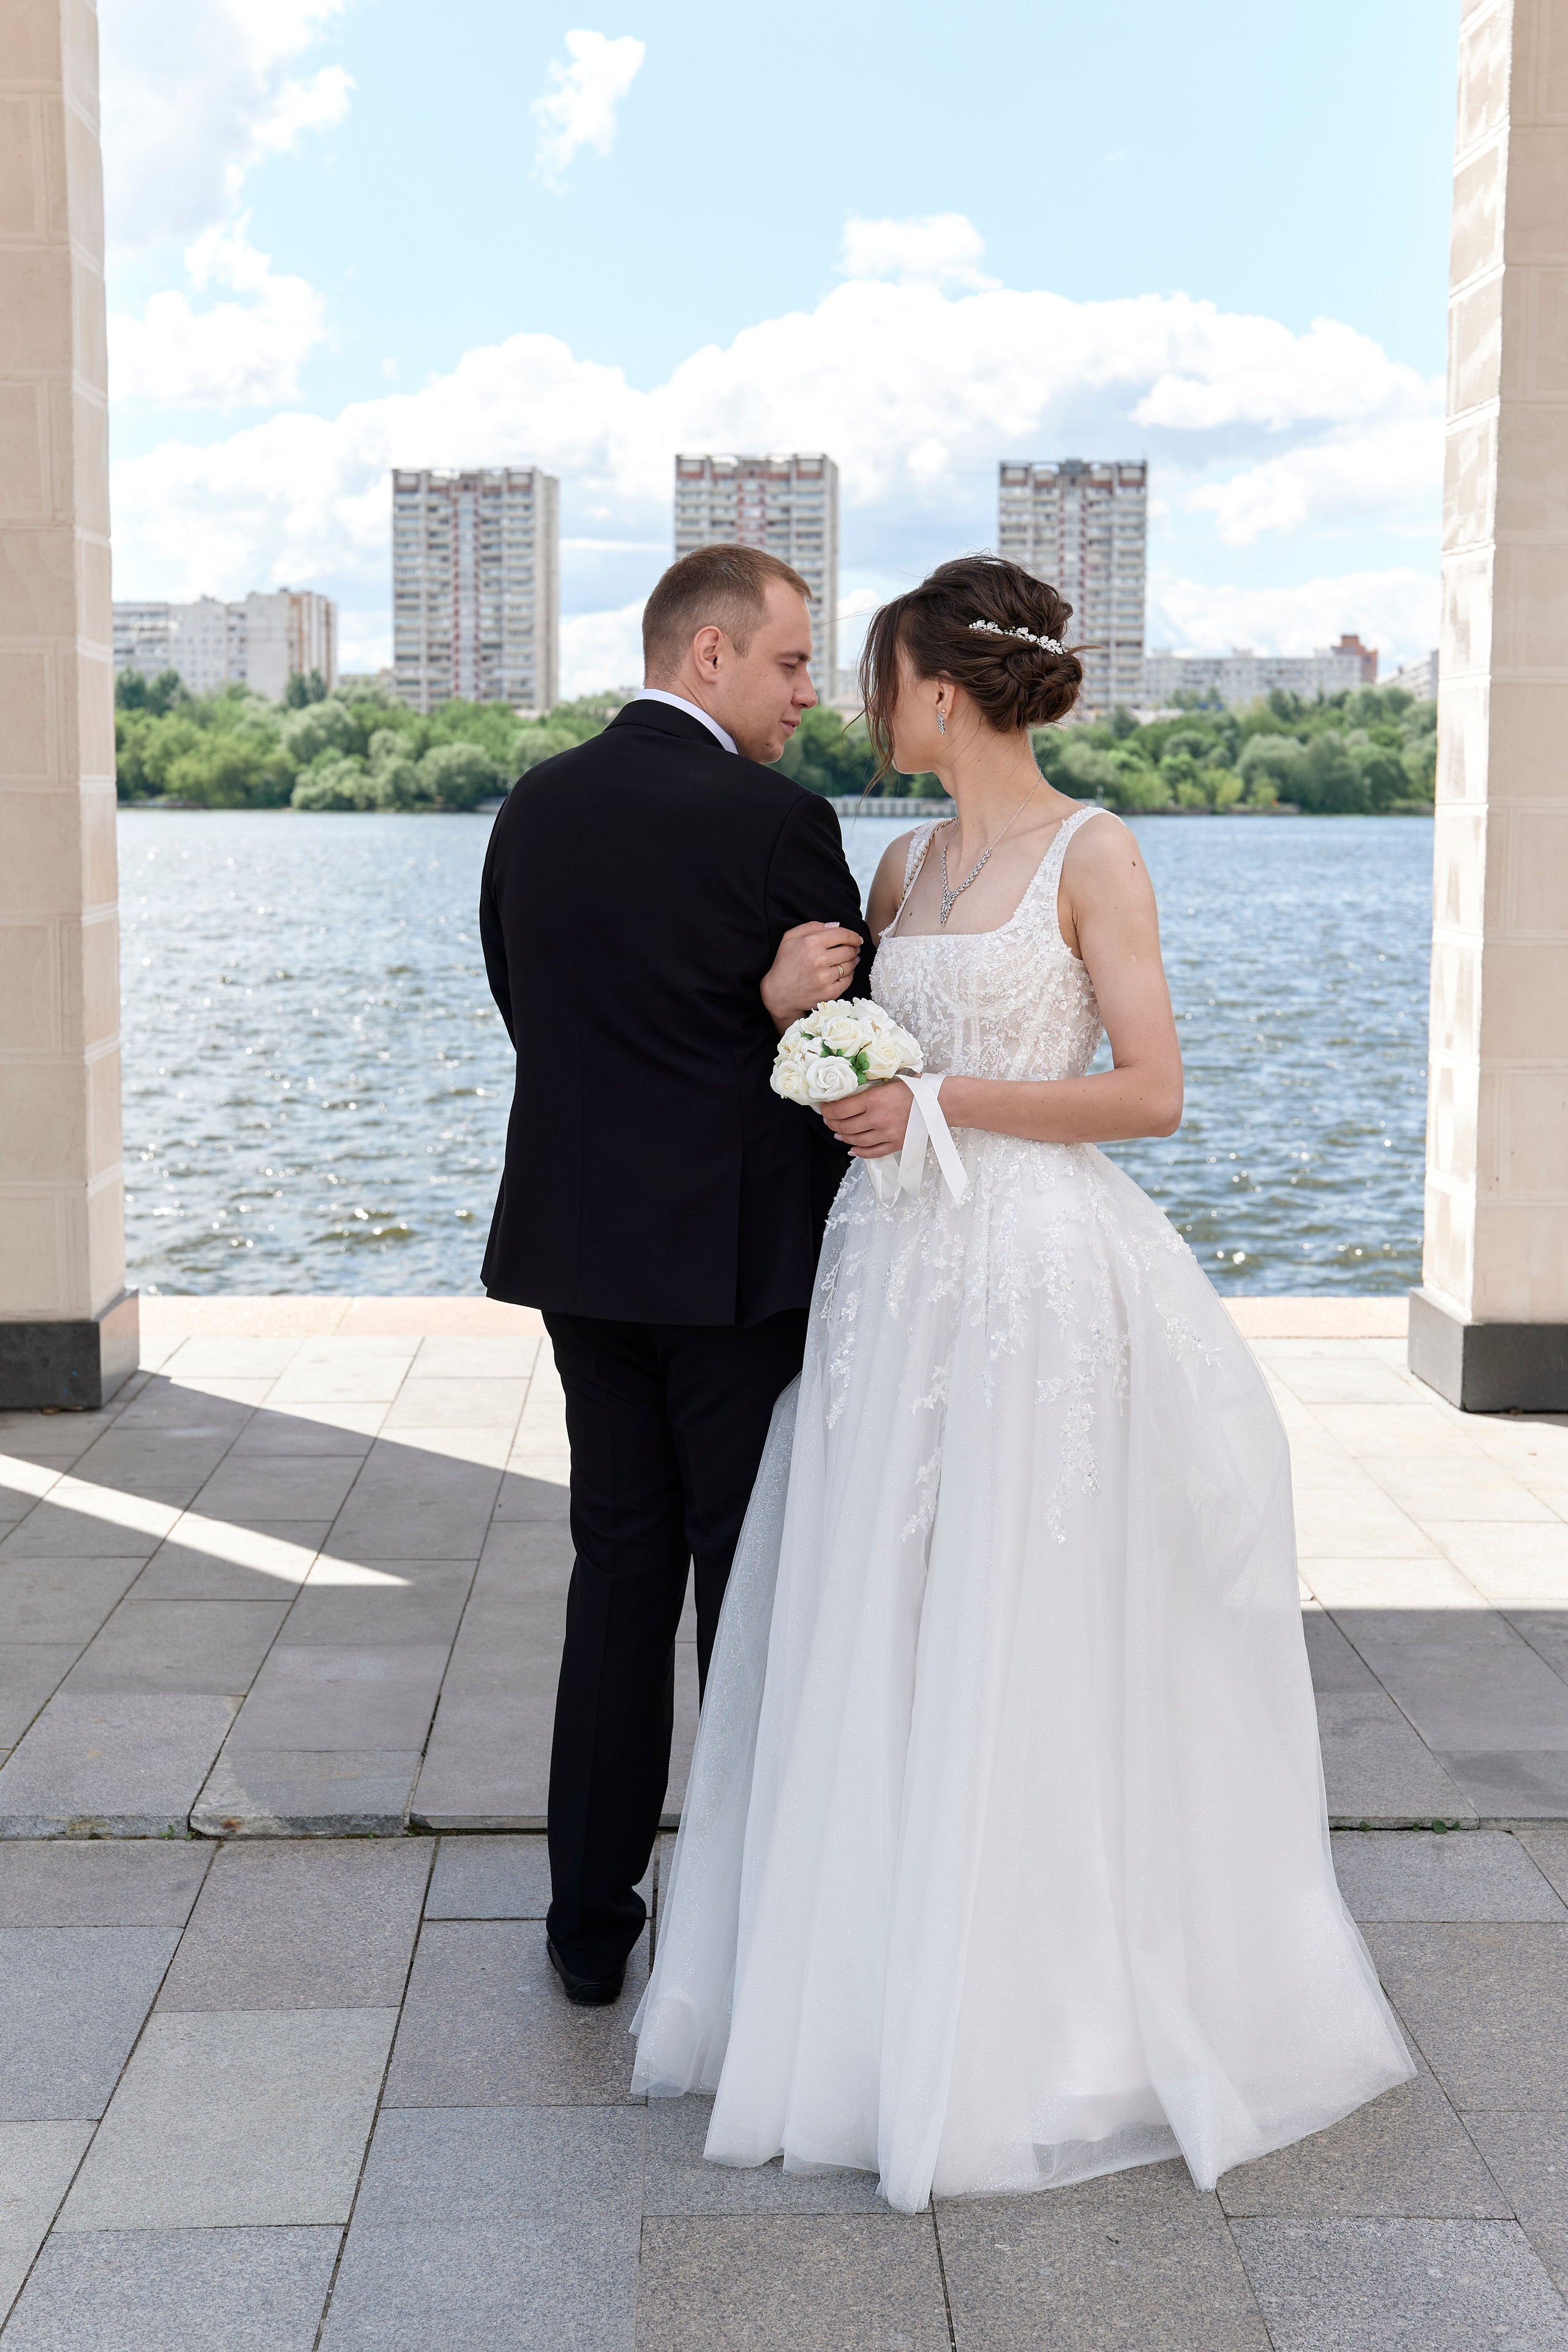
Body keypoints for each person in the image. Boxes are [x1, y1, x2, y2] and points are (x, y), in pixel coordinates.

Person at [631, 552, 1413, 2212]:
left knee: (1027, 1614)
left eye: (873, 675)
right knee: (889, 1614)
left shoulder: (1094, 852)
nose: (855, 701)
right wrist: (828, 1054)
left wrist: (944, 1104)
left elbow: (1152, 1096)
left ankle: (1042, 2016)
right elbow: (881, 1055)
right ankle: (867, 1990)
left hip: (1038, 1276)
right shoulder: (907, 862)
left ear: (940, 688)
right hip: (892, 1278)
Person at [479, 544, 870, 2007]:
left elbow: (539, 1021)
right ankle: (748, 1908)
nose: (804, 694)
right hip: (732, 1271)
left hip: (582, 1258)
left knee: (617, 1577)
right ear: (705, 656)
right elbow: (842, 1052)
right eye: (785, 663)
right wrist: (755, 1007)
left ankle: (588, 1927)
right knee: (744, 1583)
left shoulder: (535, 804)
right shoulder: (778, 822)